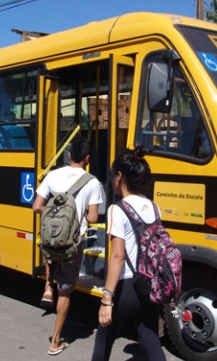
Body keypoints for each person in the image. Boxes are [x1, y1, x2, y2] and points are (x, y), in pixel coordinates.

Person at [91, 146, 166, 361]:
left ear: (120, 176)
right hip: (150, 281)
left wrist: (107, 299)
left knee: (104, 338)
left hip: (127, 286)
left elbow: (117, 256)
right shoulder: (154, 207)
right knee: (149, 335)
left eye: (113, 176)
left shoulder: (118, 209)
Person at [32, 137, 104, 356]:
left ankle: (46, 287)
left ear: (70, 155)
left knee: (51, 255)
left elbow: (37, 206)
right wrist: (72, 217)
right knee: (65, 291)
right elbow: (92, 217)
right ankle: (55, 341)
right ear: (88, 159)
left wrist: (56, 216)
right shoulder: (92, 182)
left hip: (49, 237)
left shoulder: (53, 175)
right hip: (72, 242)